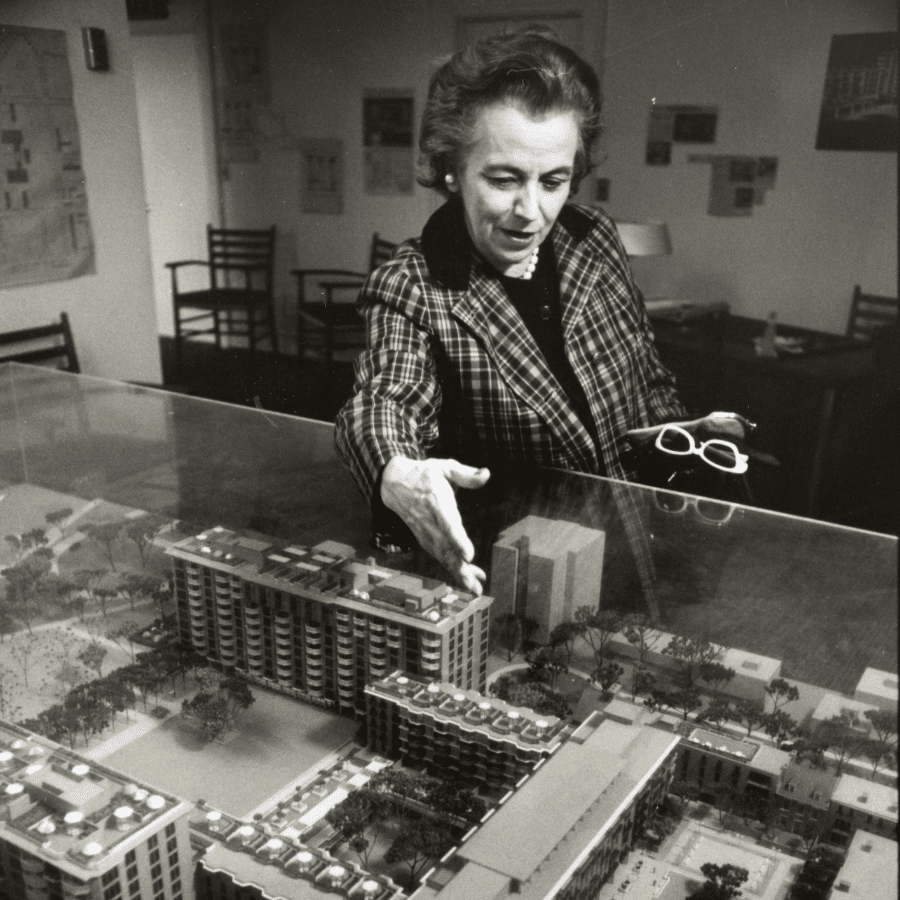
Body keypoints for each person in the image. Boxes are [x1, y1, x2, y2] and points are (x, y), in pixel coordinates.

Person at [335, 27, 741, 595]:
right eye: (504, 179)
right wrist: (397, 468)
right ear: (452, 168)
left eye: (554, 181)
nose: (531, 211)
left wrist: (679, 442)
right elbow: (382, 405)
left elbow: (647, 380)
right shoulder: (413, 285)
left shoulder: (593, 237)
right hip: (519, 581)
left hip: (634, 556)